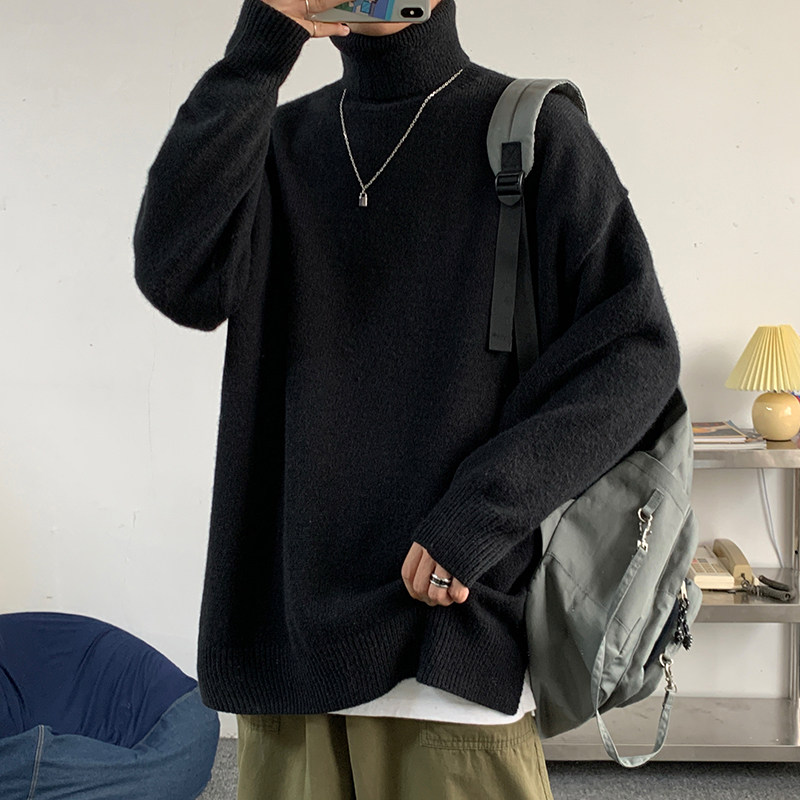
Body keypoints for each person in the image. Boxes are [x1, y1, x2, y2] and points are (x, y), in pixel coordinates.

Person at [133, 0, 680, 797]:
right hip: (288, 648)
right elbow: (177, 277)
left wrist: (483, 513)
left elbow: (635, 351)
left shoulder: (533, 132)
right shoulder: (278, 141)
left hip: (448, 640)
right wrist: (260, 48)